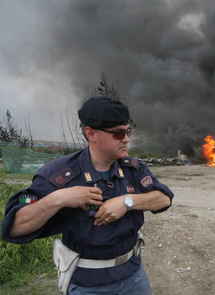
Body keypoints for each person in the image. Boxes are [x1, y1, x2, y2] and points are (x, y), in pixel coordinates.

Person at [1, 97, 174, 295]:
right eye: (118, 133)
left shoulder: (132, 168)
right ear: (91, 133)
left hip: (133, 276)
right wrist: (59, 198)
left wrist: (128, 201)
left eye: (128, 131)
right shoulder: (58, 174)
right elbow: (14, 226)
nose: (126, 139)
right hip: (87, 285)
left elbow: (164, 198)